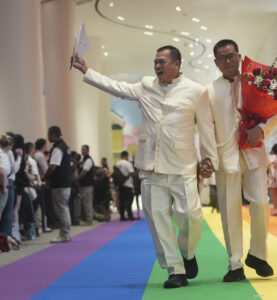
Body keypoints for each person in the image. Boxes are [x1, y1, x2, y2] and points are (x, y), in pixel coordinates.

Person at [72, 45, 218, 289]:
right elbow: (116, 87)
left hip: (182, 165)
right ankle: (175, 270)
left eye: (162, 62)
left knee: (191, 217)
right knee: (158, 220)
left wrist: (209, 159)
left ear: (177, 64)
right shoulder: (145, 85)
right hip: (150, 167)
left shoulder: (196, 91)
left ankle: (188, 253)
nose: (157, 66)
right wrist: (86, 70)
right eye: (155, 62)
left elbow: (206, 127)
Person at [205, 39, 277, 282]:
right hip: (225, 157)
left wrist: (263, 129)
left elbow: (276, 110)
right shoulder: (210, 91)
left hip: (254, 152)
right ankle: (234, 264)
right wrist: (208, 158)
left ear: (239, 56)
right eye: (222, 58)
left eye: (231, 56)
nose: (228, 61)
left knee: (260, 204)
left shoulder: (256, 80)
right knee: (229, 211)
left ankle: (258, 254)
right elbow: (205, 128)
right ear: (216, 62)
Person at [44, 126, 73, 243]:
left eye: (49, 134)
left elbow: (52, 166)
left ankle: (64, 234)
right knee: (64, 208)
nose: (48, 137)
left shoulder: (57, 149)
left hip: (59, 184)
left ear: (54, 134)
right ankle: (65, 233)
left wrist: (45, 176)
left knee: (61, 209)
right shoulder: (65, 146)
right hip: (65, 183)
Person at [74, 145, 95, 225]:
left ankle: (89, 219)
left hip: (87, 185)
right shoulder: (83, 160)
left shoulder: (88, 160)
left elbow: (84, 172)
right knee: (84, 203)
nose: (82, 151)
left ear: (88, 150)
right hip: (83, 185)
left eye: (84, 150)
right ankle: (86, 218)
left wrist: (77, 179)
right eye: (82, 150)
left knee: (87, 202)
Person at [115, 151, 135, 221]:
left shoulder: (117, 163)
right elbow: (132, 173)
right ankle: (130, 215)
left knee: (121, 201)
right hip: (128, 184)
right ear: (126, 156)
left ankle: (122, 216)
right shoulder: (127, 163)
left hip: (120, 185)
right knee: (129, 201)